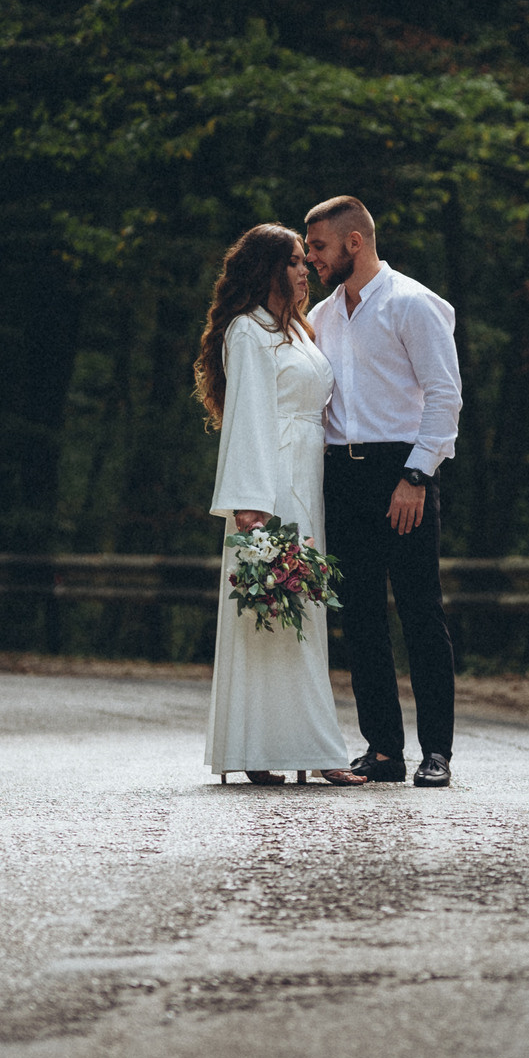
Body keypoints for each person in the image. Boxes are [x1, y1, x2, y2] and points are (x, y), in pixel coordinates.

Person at [194, 223, 365, 786]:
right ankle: (301, 747)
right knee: (275, 609)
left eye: (303, 259)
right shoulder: (248, 331)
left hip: (308, 475)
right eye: (292, 260)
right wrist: (250, 507)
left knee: (300, 611)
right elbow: (246, 416)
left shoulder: (297, 331)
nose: (303, 269)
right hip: (272, 485)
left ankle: (282, 743)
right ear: (266, 269)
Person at [301, 196, 462, 788]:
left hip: (403, 471)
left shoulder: (412, 304)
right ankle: (384, 750)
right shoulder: (322, 316)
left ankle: (437, 751)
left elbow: (445, 397)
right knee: (361, 617)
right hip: (341, 474)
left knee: (420, 610)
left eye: (317, 246)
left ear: (353, 243)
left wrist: (417, 476)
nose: (310, 258)